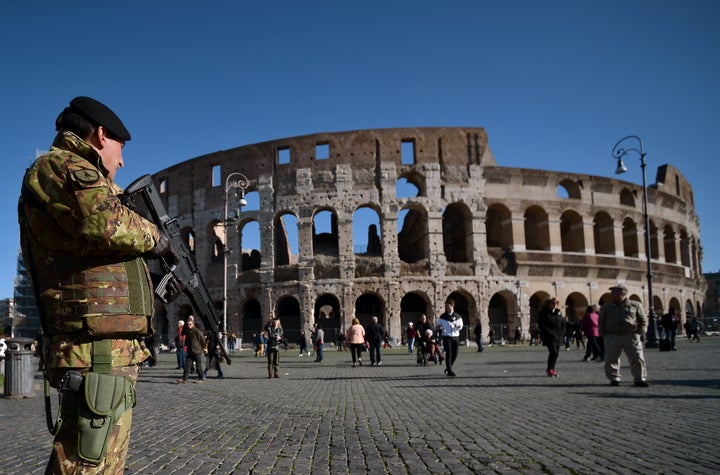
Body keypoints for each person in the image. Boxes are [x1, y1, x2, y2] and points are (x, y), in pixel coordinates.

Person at [18, 96, 179, 473]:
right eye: (121, 148)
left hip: (106, 346)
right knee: (86, 463)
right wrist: (156, 237)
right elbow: (103, 223)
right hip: (93, 348)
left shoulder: (84, 178)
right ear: (101, 134)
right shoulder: (61, 167)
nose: (122, 161)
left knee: (103, 460)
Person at [598, 284, 649, 387]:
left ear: (622, 293)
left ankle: (639, 378)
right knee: (611, 359)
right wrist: (603, 335)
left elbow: (643, 320)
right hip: (612, 336)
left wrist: (640, 332)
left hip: (631, 335)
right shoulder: (606, 307)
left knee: (637, 358)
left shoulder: (635, 305)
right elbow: (601, 321)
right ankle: (614, 378)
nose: (611, 294)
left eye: (614, 292)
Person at [436, 299, 464, 377]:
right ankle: (450, 370)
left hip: (455, 336)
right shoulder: (443, 316)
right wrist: (438, 327)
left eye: (447, 306)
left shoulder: (457, 316)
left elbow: (461, 325)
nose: (446, 307)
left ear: (452, 306)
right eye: (445, 306)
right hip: (446, 336)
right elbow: (437, 325)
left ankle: (448, 368)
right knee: (448, 353)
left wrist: (458, 326)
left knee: (455, 353)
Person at [538, 297, 565, 377]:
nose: (555, 305)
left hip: (558, 336)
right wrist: (549, 332)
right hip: (549, 336)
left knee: (556, 353)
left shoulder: (558, 313)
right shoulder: (544, 313)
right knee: (553, 352)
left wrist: (563, 332)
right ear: (548, 304)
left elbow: (563, 323)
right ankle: (550, 369)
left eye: (556, 303)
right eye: (553, 303)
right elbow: (542, 325)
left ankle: (551, 368)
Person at [177, 316, 206, 383]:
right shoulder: (187, 331)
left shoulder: (197, 331)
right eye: (188, 324)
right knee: (187, 366)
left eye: (190, 324)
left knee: (198, 366)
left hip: (197, 351)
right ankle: (184, 379)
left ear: (193, 324)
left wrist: (202, 347)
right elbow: (182, 333)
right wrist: (184, 326)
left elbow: (203, 340)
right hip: (190, 351)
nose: (189, 325)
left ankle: (201, 378)